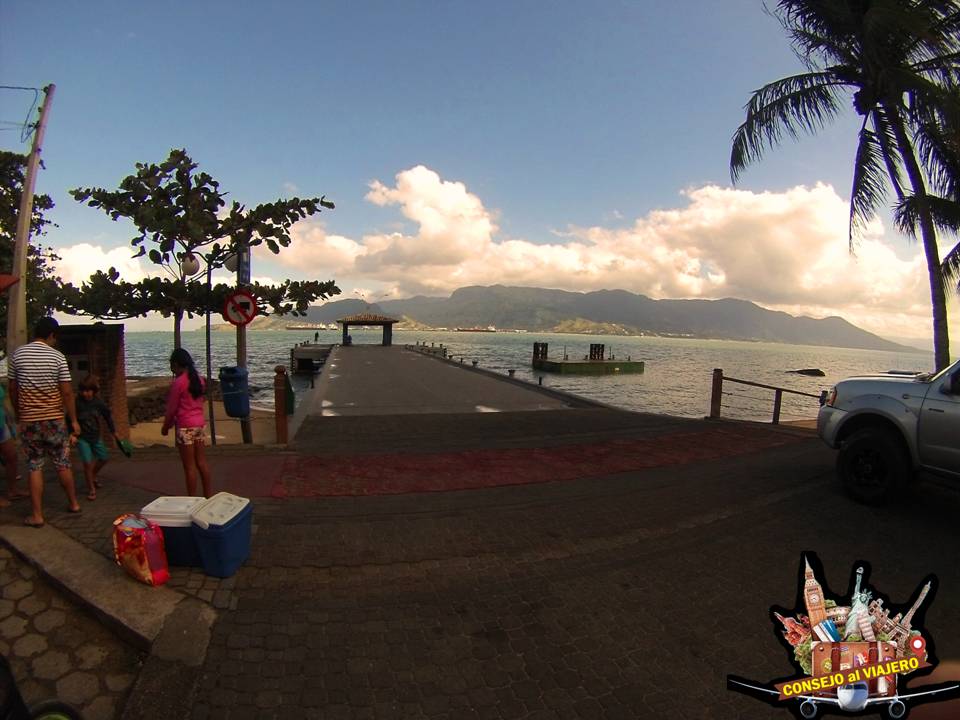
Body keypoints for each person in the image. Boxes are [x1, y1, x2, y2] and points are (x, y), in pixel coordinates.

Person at [7, 317, 81, 527]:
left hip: (30, 421)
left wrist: (19, 413)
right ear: (52, 335)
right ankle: (74, 503)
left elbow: (13, 388)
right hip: (54, 420)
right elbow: (67, 392)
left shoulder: (18, 355)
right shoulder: (57, 357)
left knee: (34, 466)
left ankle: (37, 515)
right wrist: (73, 420)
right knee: (62, 463)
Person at [161, 348, 212, 497]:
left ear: (176, 364)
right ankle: (208, 495)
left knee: (189, 466)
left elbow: (172, 409)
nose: (171, 368)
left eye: (171, 365)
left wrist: (166, 426)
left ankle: (192, 498)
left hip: (185, 427)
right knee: (201, 462)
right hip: (199, 425)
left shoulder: (179, 383)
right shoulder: (199, 380)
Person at [76, 375, 117, 501]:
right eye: (83, 391)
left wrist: (113, 431)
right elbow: (69, 419)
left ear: (94, 391)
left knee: (104, 458)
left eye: (88, 391)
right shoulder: (77, 403)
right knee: (87, 463)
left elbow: (107, 416)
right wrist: (72, 433)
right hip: (82, 438)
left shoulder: (98, 403)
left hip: (95, 436)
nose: (86, 394)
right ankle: (91, 489)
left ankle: (93, 474)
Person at [0, 382, 24, 505]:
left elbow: (3, 403)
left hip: (1, 425)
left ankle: (13, 490)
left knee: (11, 456)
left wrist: (10, 423)